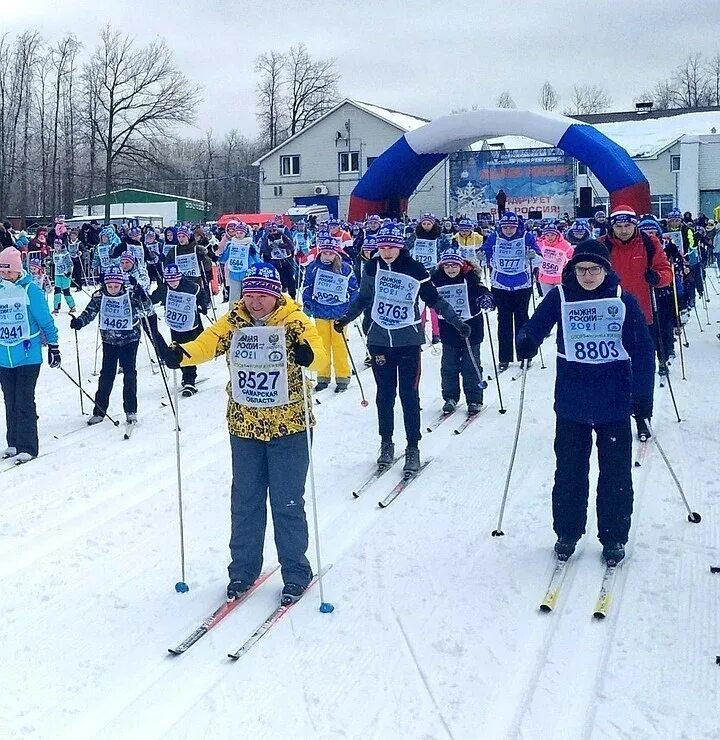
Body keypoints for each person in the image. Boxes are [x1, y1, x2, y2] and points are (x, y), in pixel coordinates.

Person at [161, 262, 327, 604]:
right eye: (250, 294)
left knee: (287, 501)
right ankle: (243, 570)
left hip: (290, 427)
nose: (255, 301)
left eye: (263, 295)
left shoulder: (293, 321)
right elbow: (207, 342)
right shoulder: (234, 320)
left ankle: (296, 571)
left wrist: (308, 354)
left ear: (275, 294)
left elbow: (318, 354)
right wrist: (183, 354)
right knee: (246, 500)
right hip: (245, 426)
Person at [516, 240, 655, 565]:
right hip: (572, 401)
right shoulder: (561, 296)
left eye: (594, 269)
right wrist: (527, 340)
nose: (588, 275)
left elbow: (643, 349)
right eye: (581, 269)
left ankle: (614, 536)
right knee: (569, 471)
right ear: (572, 270)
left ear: (606, 270)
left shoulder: (623, 300)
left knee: (616, 473)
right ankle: (567, 532)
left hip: (614, 400)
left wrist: (642, 394)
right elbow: (536, 326)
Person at [334, 224, 471, 475]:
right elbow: (364, 298)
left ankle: (412, 447)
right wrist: (345, 317)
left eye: (391, 247)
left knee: (409, 395)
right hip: (379, 340)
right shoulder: (372, 266)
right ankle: (386, 443)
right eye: (382, 247)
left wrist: (457, 321)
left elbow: (434, 300)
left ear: (400, 247)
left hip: (408, 340)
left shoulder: (415, 270)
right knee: (384, 395)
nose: (386, 252)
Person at [599, 205, 672, 439]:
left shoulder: (650, 243)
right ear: (612, 226)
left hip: (643, 317)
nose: (623, 230)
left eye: (627, 225)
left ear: (635, 224)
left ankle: (643, 416)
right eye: (618, 226)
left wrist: (658, 277)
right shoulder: (602, 245)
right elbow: (581, 269)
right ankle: (615, 413)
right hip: (609, 318)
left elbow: (665, 271)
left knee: (643, 370)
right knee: (611, 370)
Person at [70, 265, 153, 426]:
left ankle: (131, 410)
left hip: (130, 338)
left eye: (116, 286)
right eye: (110, 286)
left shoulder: (131, 294)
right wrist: (79, 322)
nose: (113, 289)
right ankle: (99, 411)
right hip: (109, 340)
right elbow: (90, 312)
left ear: (122, 284)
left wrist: (142, 295)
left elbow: (148, 309)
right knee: (106, 374)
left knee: (129, 373)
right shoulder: (99, 296)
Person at [0, 247, 60, 463]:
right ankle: (13, 442)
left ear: (18, 270)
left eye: (8, 272)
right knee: (10, 399)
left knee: (25, 399)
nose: (4, 276)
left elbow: (45, 320)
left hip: (28, 354)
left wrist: (53, 345)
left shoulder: (30, 290)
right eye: (1, 271)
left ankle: (28, 446)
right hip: (3, 355)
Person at [430, 247, 493, 415]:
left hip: (471, 326)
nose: (451, 269)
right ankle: (450, 397)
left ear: (461, 265)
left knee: (471, 364)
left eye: (454, 265)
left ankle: (474, 399)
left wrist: (486, 299)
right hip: (448, 327)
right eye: (447, 265)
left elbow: (483, 291)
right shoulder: (436, 279)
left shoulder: (470, 278)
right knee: (448, 364)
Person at [483, 211, 542, 371]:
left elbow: (539, 257)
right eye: (506, 227)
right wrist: (482, 256)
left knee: (522, 319)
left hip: (522, 284)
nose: (509, 230)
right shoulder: (495, 236)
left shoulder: (527, 237)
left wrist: (533, 255)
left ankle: (525, 355)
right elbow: (485, 251)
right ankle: (504, 358)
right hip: (500, 284)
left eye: (512, 227)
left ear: (517, 226)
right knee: (504, 320)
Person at [301, 233, 359, 392]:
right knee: (322, 345)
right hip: (320, 311)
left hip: (340, 312)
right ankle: (323, 376)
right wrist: (307, 303)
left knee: (339, 345)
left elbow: (354, 289)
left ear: (337, 253)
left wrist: (353, 308)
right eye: (325, 252)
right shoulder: (314, 267)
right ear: (320, 252)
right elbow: (307, 286)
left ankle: (342, 376)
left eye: (331, 253)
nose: (328, 256)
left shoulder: (345, 268)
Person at [150, 263, 208, 396]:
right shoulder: (164, 288)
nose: (173, 282)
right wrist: (140, 293)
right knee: (178, 350)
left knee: (188, 351)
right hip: (176, 326)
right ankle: (187, 377)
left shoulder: (190, 286)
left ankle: (190, 380)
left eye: (175, 279)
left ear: (180, 277)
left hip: (191, 325)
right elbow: (152, 299)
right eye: (169, 280)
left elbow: (202, 294)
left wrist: (203, 305)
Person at [537, 224, 574, 296]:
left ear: (557, 235)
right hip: (544, 277)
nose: (550, 237)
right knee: (547, 299)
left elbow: (572, 256)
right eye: (547, 235)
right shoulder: (540, 244)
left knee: (560, 299)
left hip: (559, 278)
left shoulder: (564, 245)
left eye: (552, 235)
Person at [51, 239, 76, 315]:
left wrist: (69, 272)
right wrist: (48, 263)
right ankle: (56, 308)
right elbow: (53, 262)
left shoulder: (65, 254)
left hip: (65, 274)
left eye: (58, 245)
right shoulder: (54, 253)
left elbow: (70, 264)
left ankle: (72, 306)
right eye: (55, 245)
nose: (56, 247)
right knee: (57, 291)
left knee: (66, 291)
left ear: (61, 245)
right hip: (57, 274)